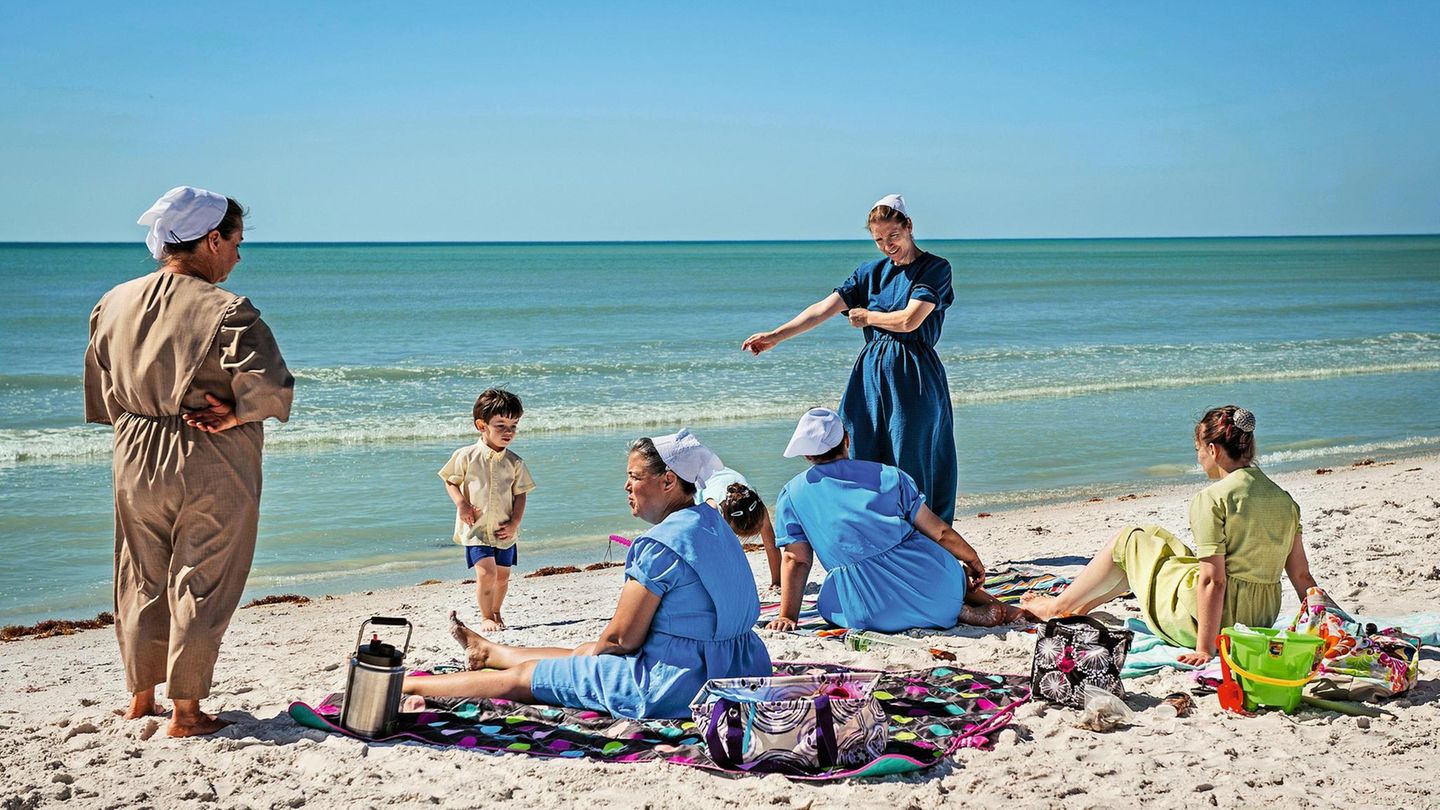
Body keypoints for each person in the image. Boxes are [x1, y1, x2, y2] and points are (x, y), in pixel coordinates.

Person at [83, 186, 293, 736]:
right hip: (208, 455)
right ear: (212, 238)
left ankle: (139, 698)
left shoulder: (113, 301)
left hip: (133, 451)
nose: (238, 256)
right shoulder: (228, 310)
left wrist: (142, 417)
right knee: (204, 578)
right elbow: (271, 386)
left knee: (139, 573)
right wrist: (235, 413)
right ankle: (188, 712)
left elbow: (103, 390)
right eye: (236, 242)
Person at [405, 429, 772, 719]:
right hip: (740, 664)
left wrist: (597, 655)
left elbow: (621, 639)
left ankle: (409, 687)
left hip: (675, 683)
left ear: (668, 481)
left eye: (634, 476)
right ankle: (491, 652)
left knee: (526, 678)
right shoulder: (714, 524)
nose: (626, 486)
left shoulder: (660, 545)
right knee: (586, 653)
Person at [1023, 406, 1319, 666]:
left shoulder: (1213, 499)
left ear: (1213, 450)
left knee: (1129, 540)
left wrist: (1205, 648)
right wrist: (1330, 619)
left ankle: (1056, 607)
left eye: (1198, 451)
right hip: (1260, 618)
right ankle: (1079, 606)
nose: (1200, 458)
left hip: (1209, 623)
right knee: (1155, 539)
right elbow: (1302, 577)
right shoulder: (1284, 500)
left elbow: (1213, 580)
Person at [742, 194, 958, 523]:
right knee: (862, 453)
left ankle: (929, 542)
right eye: (879, 240)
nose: (887, 246)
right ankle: (874, 532)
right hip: (869, 377)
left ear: (909, 227)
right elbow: (822, 310)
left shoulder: (935, 268)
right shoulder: (869, 272)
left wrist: (868, 317)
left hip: (914, 374)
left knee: (914, 456)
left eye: (893, 237)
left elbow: (910, 320)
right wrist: (775, 336)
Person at [766, 408, 1024, 633]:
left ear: (807, 455)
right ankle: (965, 608)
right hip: (934, 587)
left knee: (830, 603)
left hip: (869, 611)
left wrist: (787, 616)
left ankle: (955, 611)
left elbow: (795, 560)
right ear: (847, 439)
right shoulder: (888, 475)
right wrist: (972, 558)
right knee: (941, 568)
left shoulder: (792, 494)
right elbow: (940, 533)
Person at [439, 388, 536, 631]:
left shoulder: (515, 462)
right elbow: (450, 480)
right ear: (481, 425)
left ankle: (496, 611)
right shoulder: (466, 456)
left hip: (505, 530)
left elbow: (520, 494)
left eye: (514, 425)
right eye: (501, 425)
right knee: (487, 574)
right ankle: (486, 617)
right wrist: (461, 504)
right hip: (477, 529)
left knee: (503, 577)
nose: (509, 432)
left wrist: (514, 523)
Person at [696, 466, 781, 589]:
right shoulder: (711, 509)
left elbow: (771, 545)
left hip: (717, 473)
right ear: (726, 520)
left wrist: (777, 582)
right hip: (697, 481)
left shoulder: (756, 506)